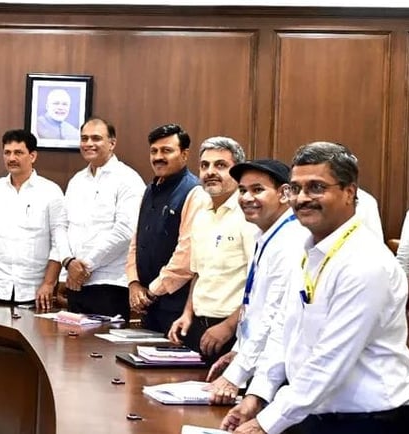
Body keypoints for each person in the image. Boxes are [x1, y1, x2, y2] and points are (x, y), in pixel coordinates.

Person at [223, 142, 409, 434]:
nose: (302, 198)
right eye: (296, 188)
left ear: (349, 192)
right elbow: (284, 331)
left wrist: (265, 423)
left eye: (316, 187)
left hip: (369, 421)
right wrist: (256, 396)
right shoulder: (307, 250)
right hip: (315, 411)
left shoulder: (365, 262)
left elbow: (330, 360)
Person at [205, 159, 306, 405]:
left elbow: (273, 315)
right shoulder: (265, 234)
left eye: (257, 190)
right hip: (259, 363)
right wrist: (237, 351)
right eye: (242, 190)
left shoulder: (291, 240)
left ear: (284, 194)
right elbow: (254, 308)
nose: (247, 198)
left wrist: (235, 376)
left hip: (280, 372)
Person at [167, 137, 256, 364]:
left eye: (221, 165)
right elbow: (198, 273)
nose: (210, 172)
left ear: (237, 171)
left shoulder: (248, 215)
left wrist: (229, 326)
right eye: (205, 165)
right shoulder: (201, 215)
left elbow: (259, 282)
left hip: (233, 330)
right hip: (198, 326)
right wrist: (187, 314)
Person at [0, 129, 66, 309]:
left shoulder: (51, 192)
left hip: (36, 292)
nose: (11, 158)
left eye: (18, 153)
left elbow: (59, 244)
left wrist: (48, 283)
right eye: (7, 153)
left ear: (32, 156)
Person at [61, 118, 145, 320]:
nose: (89, 143)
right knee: (71, 340)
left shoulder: (128, 179)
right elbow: (62, 226)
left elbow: (125, 231)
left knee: (102, 341)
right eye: (84, 138)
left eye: (96, 138)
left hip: (109, 284)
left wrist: (85, 267)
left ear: (112, 143)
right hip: (75, 283)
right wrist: (69, 263)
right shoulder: (76, 181)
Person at [125, 124, 202, 334]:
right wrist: (133, 283)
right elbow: (136, 241)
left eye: (166, 150)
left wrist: (152, 290)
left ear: (184, 154)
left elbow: (186, 255)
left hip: (175, 306)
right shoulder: (150, 190)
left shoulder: (194, 192)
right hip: (147, 303)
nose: (158, 157)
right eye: (154, 151)